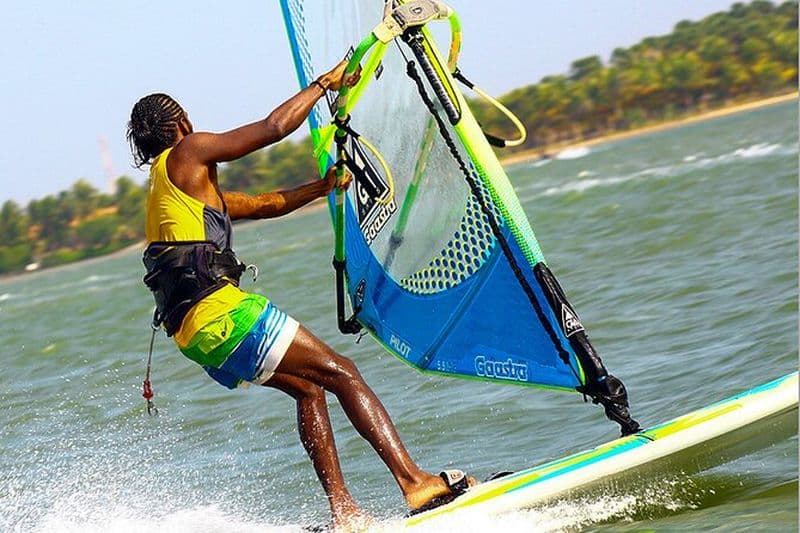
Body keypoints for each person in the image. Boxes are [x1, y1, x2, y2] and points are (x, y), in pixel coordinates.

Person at [127, 59, 473, 529]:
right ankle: (416, 483)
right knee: (344, 373)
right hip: (223, 311)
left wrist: (322, 187)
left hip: (197, 338)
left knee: (309, 390)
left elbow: (265, 204)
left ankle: (345, 512)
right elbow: (273, 127)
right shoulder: (189, 152)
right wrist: (323, 85)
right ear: (183, 124)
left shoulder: (171, 190)